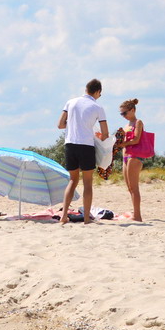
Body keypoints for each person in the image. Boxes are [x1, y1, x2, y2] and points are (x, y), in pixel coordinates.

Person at [56, 79, 109, 225]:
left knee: (72, 181)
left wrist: (74, 124)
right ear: (98, 92)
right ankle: (86, 219)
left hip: (70, 145)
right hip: (86, 146)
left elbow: (60, 125)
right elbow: (105, 133)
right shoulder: (97, 107)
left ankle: (63, 216)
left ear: (86, 89)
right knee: (87, 183)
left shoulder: (70, 102)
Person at [116, 98, 147, 222]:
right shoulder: (126, 125)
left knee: (134, 187)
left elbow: (136, 140)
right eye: (121, 114)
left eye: (125, 113)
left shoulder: (138, 122)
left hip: (134, 156)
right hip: (125, 156)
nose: (123, 116)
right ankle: (135, 212)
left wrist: (121, 144)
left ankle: (138, 215)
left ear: (133, 110)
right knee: (129, 187)